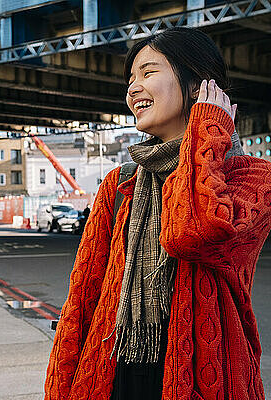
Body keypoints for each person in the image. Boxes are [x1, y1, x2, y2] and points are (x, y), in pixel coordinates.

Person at [45, 27, 271, 400]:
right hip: (112, 374)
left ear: (198, 85)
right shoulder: (120, 184)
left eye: (148, 73)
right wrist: (61, 388)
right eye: (131, 78)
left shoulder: (251, 178)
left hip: (206, 376)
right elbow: (82, 301)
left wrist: (208, 131)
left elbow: (191, 233)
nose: (133, 88)